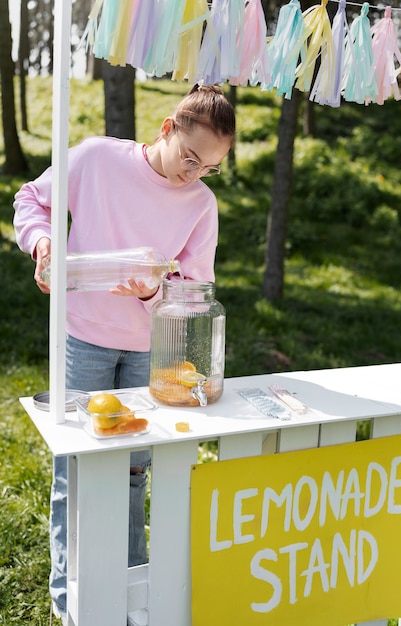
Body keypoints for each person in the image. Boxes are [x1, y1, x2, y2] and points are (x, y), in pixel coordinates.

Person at [13, 83, 236, 625]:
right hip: (83, 338)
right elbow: (31, 199)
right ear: (166, 128)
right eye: (191, 157)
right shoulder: (95, 159)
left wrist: (153, 293)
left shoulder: (201, 206)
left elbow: (195, 287)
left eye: (210, 167)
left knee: (135, 471)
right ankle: (70, 600)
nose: (195, 173)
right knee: (78, 470)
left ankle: (130, 596)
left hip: (147, 354)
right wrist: (43, 242)